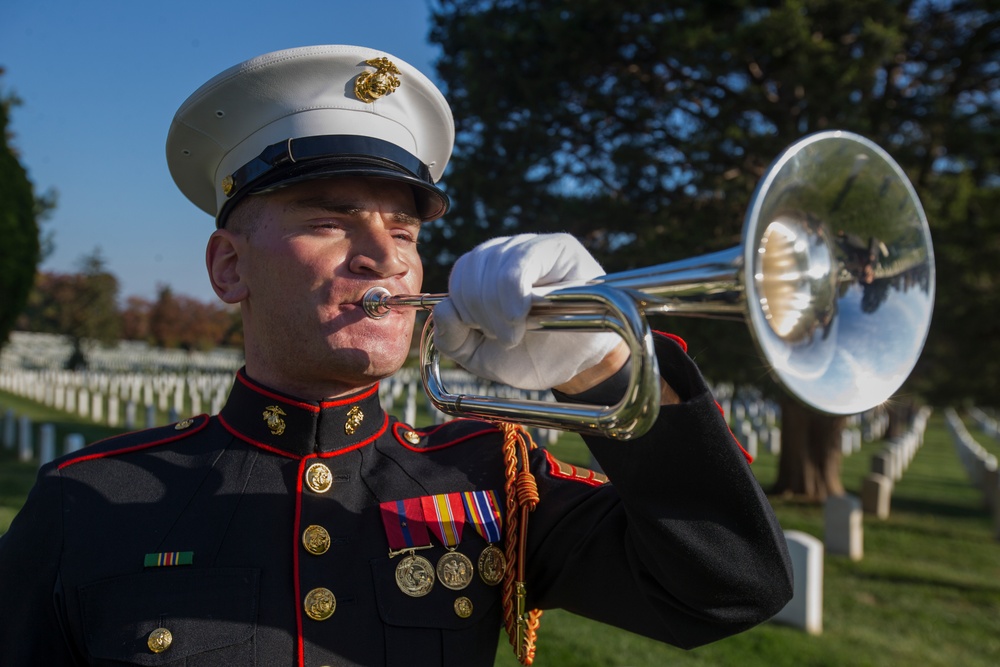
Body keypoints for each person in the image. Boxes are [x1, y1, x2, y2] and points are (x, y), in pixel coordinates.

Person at [0, 45, 792, 666]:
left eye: (407, 231)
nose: (385, 255)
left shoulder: (488, 475)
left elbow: (731, 586)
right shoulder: (84, 500)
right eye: (333, 217)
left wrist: (602, 366)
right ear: (228, 266)